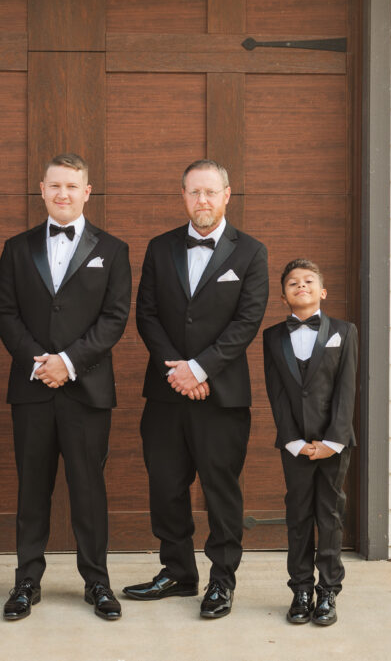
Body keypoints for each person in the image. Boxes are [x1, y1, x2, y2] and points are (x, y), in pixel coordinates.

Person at [126, 159, 268, 619]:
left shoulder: (251, 252)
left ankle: (222, 581)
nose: (202, 200)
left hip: (221, 396)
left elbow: (247, 320)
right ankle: (178, 573)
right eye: (194, 192)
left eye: (210, 192)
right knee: (166, 486)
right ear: (183, 196)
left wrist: (201, 369)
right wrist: (178, 371)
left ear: (227, 195)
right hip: (166, 392)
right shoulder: (160, 247)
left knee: (220, 490)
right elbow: (146, 313)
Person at [0, 153, 131, 621]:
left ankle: (97, 582)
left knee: (88, 490)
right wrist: (40, 363)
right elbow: (4, 311)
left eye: (72, 186)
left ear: (87, 192)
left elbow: (114, 318)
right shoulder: (16, 248)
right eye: (55, 185)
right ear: (42, 189)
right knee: (32, 489)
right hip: (32, 388)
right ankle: (26, 582)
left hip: (86, 390)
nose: (63, 194)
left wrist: (68, 363)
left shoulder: (113, 250)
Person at [263, 258, 357, 627]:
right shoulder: (272, 336)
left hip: (333, 444)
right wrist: (292, 440)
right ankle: (301, 589)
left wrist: (333, 441)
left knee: (329, 514)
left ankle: (328, 590)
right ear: (283, 296)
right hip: (296, 444)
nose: (301, 286)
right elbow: (277, 393)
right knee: (298, 514)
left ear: (322, 291)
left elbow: (346, 390)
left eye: (308, 281)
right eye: (292, 283)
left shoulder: (344, 331)